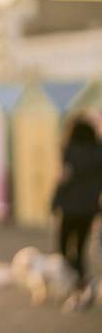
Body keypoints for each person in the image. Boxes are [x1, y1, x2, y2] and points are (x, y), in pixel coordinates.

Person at [50, 116, 102, 311]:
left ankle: (75, 286)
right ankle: (83, 283)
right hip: (89, 209)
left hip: (70, 209)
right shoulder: (98, 152)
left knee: (63, 249)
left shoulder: (70, 152)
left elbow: (63, 180)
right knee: (80, 249)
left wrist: (53, 204)